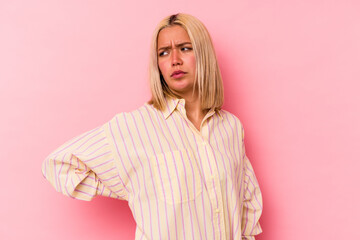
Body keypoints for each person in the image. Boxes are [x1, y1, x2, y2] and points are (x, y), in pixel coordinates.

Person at [42, 13, 263, 240]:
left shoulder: (231, 127)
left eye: (185, 48)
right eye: (164, 53)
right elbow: (58, 164)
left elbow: (246, 206)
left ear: (203, 54)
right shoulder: (133, 126)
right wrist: (132, 185)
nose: (174, 59)